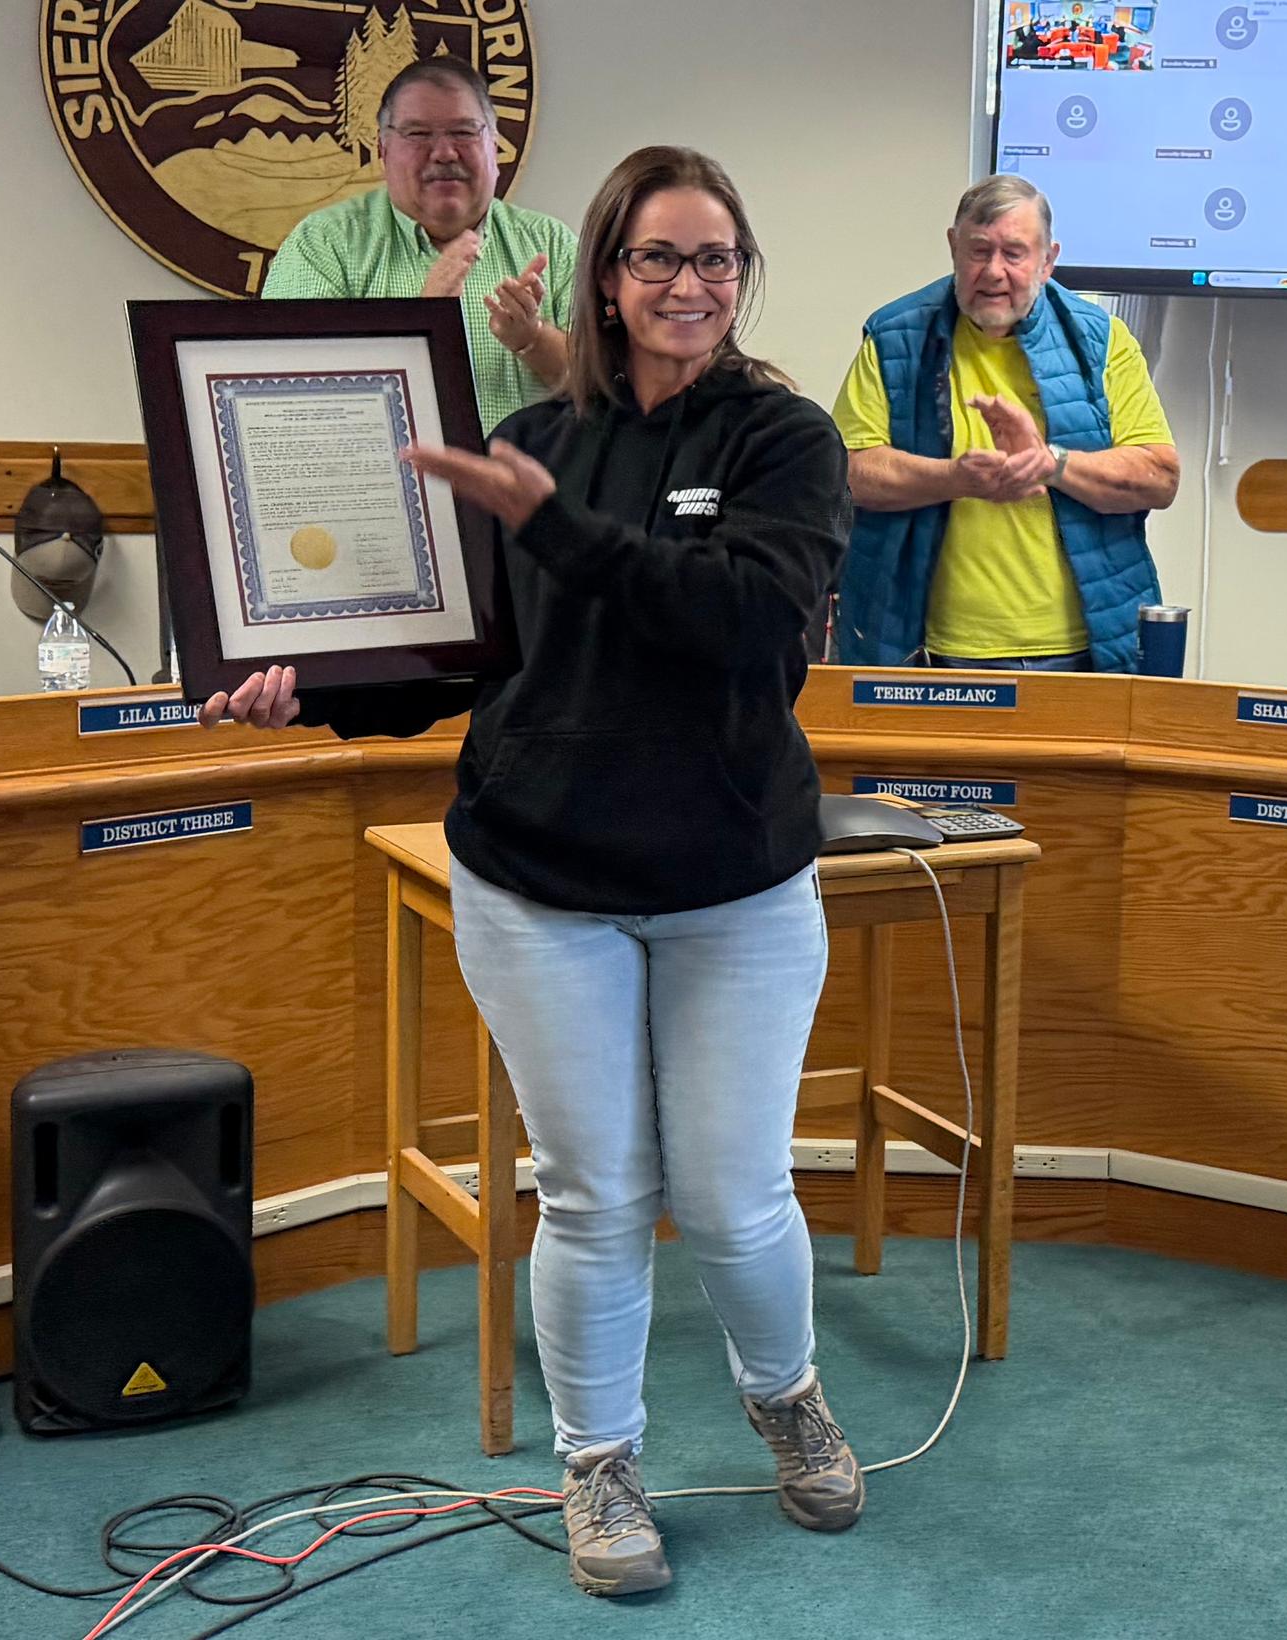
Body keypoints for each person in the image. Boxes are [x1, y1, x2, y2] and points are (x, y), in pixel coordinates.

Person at [211, 147, 856, 1597]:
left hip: (734, 883)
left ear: (741, 277)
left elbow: (747, 622)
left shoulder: (783, 440)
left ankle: (786, 1398)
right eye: (656, 257)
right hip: (537, 880)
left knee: (734, 1192)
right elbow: (462, 662)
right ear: (605, 279)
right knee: (593, 1196)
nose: (687, 284)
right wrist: (305, 688)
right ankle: (599, 1464)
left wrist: (550, 522)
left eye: (714, 258)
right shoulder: (532, 442)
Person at [831, 175, 1178, 671]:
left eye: (1014, 253)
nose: (993, 272)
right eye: (979, 251)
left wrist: (1051, 464)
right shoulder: (894, 337)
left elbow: (1160, 478)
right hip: (931, 651)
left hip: (1086, 651)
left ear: (1048, 260)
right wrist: (956, 479)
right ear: (953, 247)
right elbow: (848, 473)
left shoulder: (1101, 339)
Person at [263, 61, 577, 433]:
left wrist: (532, 339)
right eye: (418, 134)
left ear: (494, 145)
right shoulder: (323, 244)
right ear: (383, 150)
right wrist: (420, 320)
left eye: (463, 132)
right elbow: (286, 401)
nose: (444, 153)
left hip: (532, 471)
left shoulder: (552, 243)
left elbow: (612, 388)